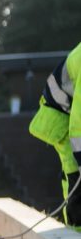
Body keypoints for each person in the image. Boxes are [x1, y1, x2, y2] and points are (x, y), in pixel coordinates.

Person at [29, 41, 81, 226]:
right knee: (76, 179)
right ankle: (76, 237)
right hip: (63, 120)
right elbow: (78, 126)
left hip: (73, 115)